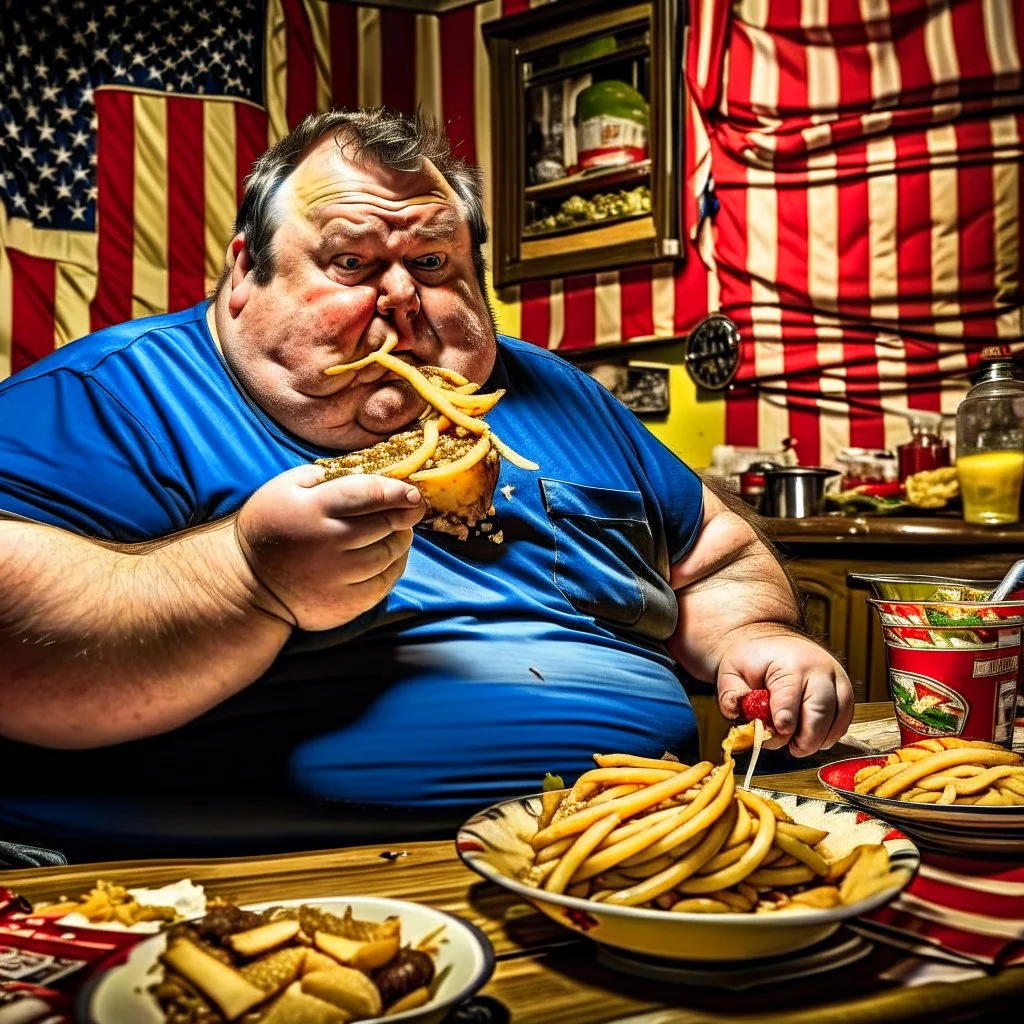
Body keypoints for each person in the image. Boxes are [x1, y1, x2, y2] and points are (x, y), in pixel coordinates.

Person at [0, 109, 853, 861]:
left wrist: (757, 635)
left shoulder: (562, 393)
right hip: (238, 883)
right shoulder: (116, 396)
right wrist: (247, 581)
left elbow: (710, 551)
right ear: (241, 279)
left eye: (437, 261)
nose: (405, 294)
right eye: (350, 261)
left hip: (637, 854)